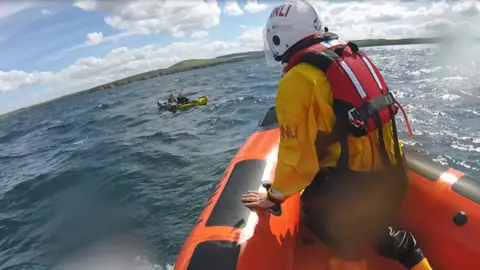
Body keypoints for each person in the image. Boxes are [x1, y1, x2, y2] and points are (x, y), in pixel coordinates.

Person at [240, 1, 432, 270]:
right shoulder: (350, 56)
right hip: (394, 176)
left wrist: (273, 197)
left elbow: (296, 160)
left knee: (317, 213)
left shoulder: (297, 80)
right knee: (380, 234)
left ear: (278, 37)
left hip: (357, 189)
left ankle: (351, 259)